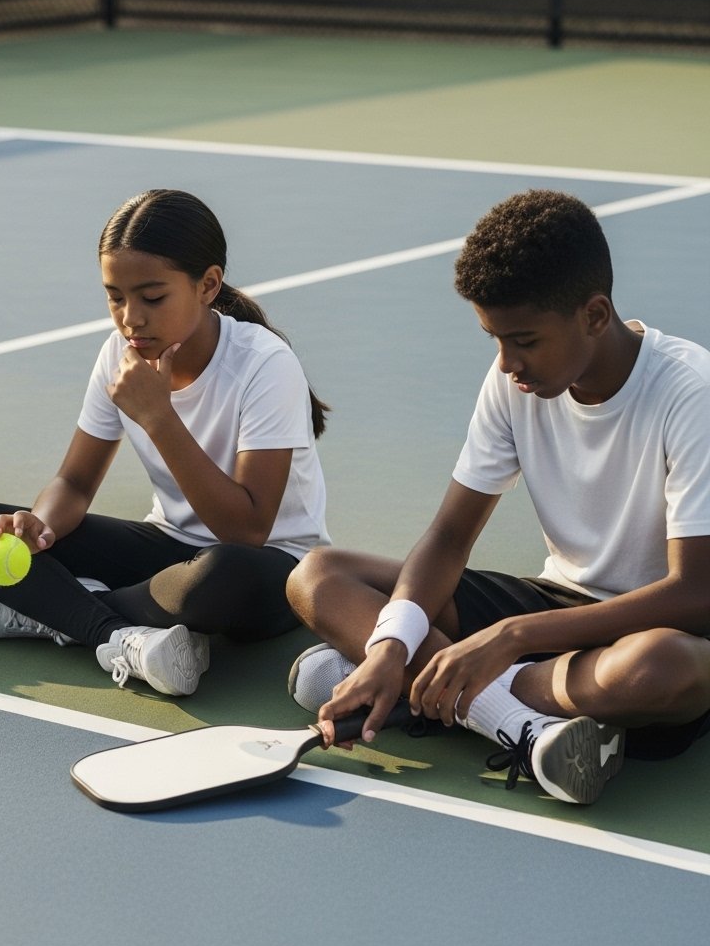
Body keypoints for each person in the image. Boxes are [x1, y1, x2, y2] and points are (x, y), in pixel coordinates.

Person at [286, 189, 710, 805]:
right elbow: (449, 537)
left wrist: (509, 638)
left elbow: (697, 595)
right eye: (495, 340)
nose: (508, 363)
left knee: (658, 670)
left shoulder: (691, 393)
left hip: (654, 629)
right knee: (318, 574)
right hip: (556, 618)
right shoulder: (516, 380)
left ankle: (436, 693)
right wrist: (388, 645)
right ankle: (516, 722)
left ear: (594, 315)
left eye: (525, 340)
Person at [0, 188, 330, 696]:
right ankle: (112, 632)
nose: (131, 318)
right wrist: (40, 527)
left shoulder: (265, 364)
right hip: (166, 549)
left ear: (208, 285)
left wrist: (159, 417)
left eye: (152, 297)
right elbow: (74, 483)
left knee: (215, 579)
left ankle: (49, 611)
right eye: (114, 297)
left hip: (272, 569)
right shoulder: (117, 354)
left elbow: (247, 528)